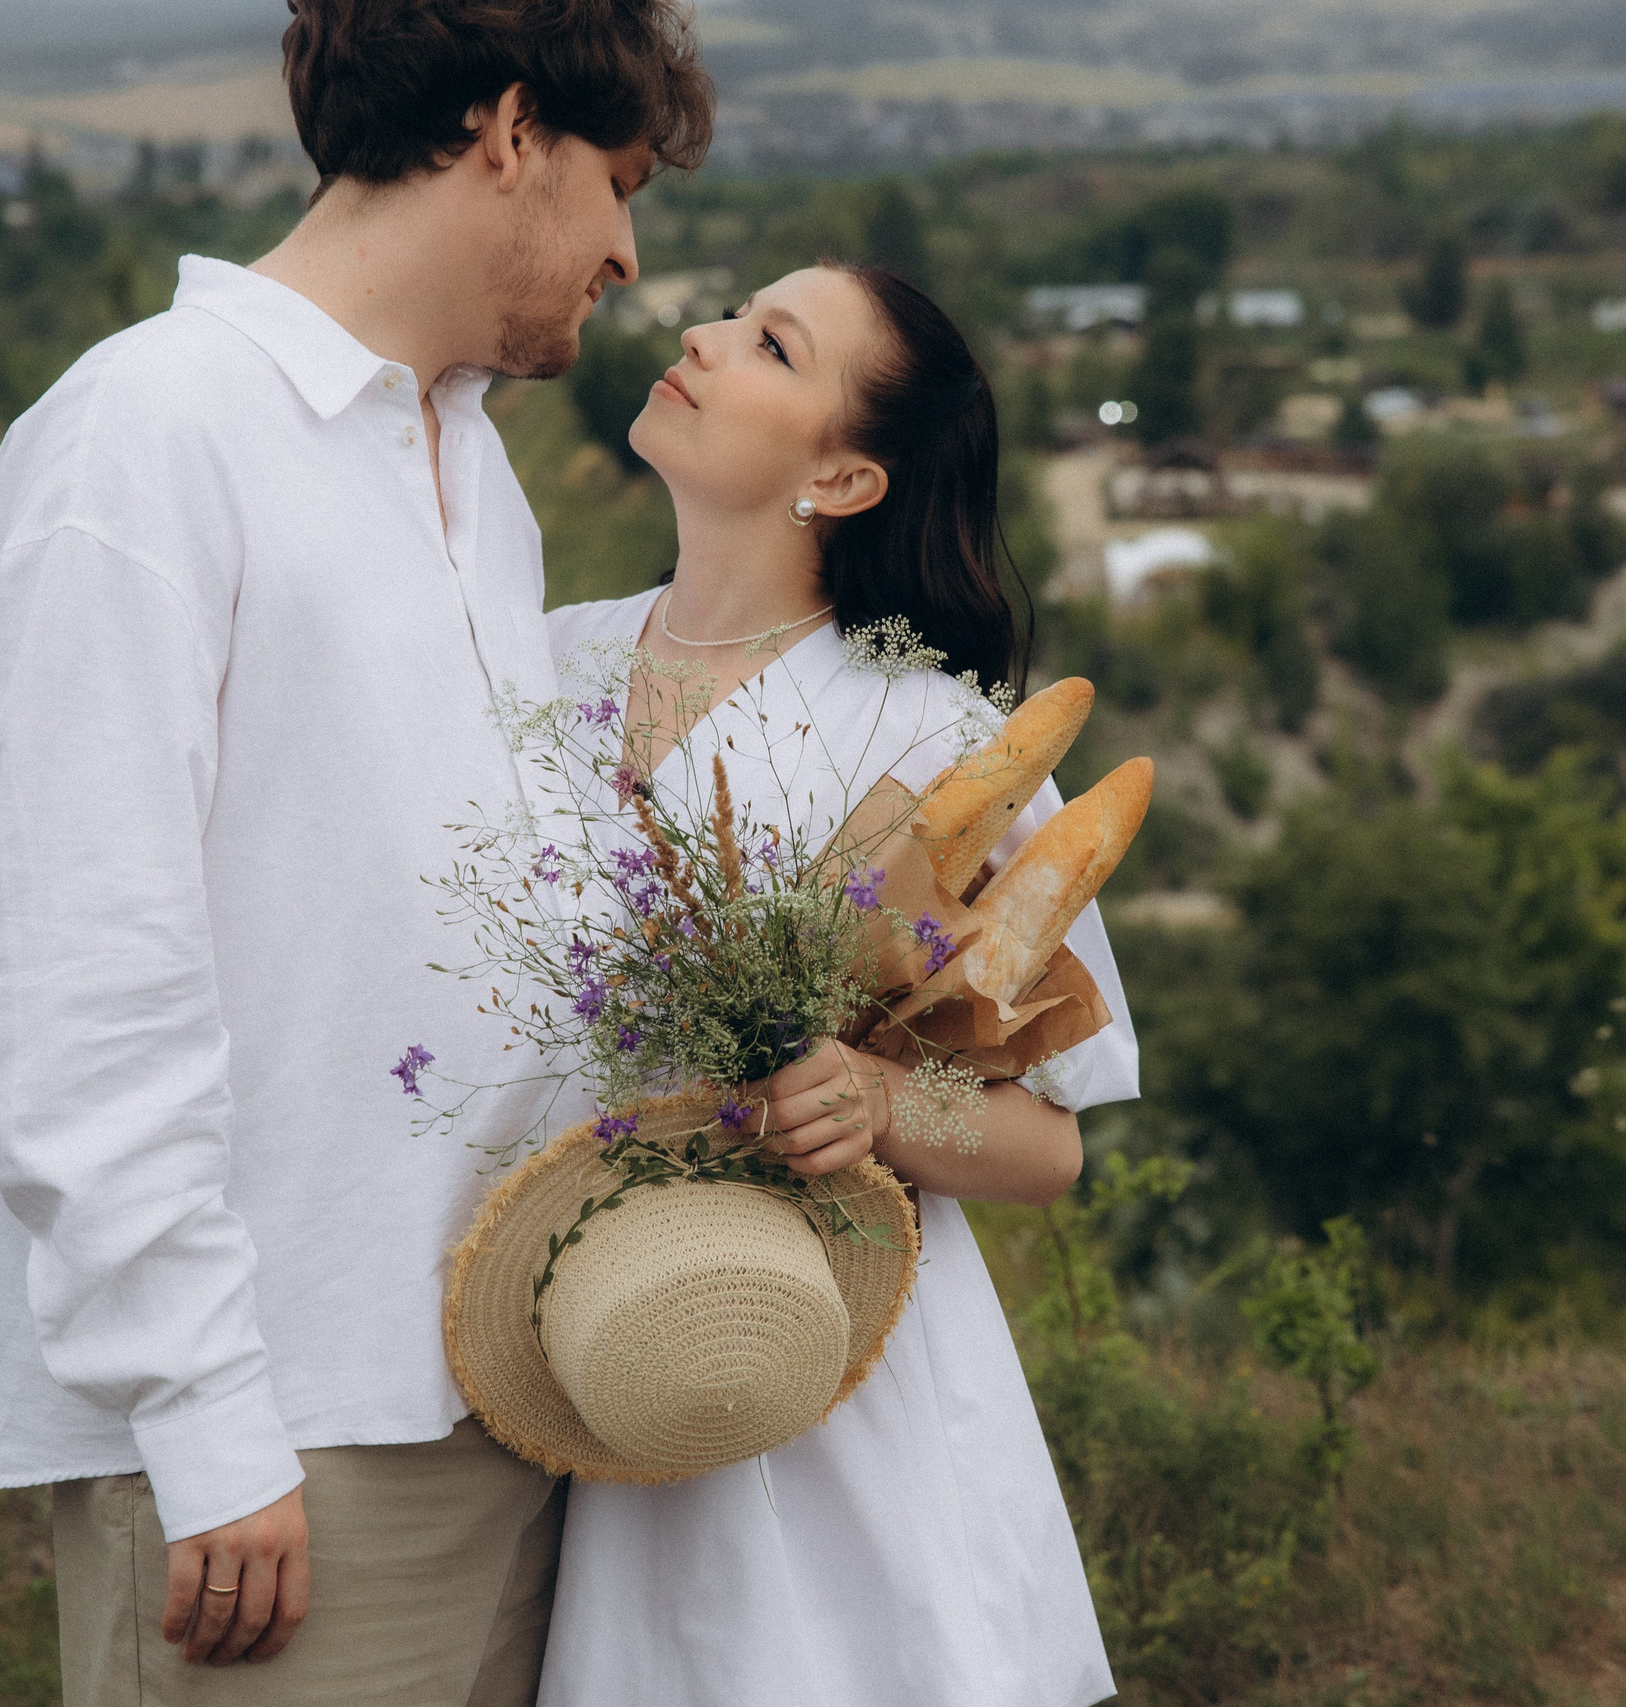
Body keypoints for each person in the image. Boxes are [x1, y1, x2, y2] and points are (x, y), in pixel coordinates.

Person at [0, 5, 710, 1702]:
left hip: (498, 1400)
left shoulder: (468, 469)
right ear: (508, 130)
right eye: (618, 179)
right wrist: (214, 1422)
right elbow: (83, 972)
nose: (627, 249)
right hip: (275, 1450)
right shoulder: (147, 434)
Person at [538, 264, 1133, 1707]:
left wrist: (875, 1097)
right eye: (731, 318)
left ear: (846, 474)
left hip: (842, 1381)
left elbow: (1052, 1142)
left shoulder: (943, 744)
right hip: (575, 1345)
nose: (701, 336)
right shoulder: (542, 664)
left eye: (768, 345)